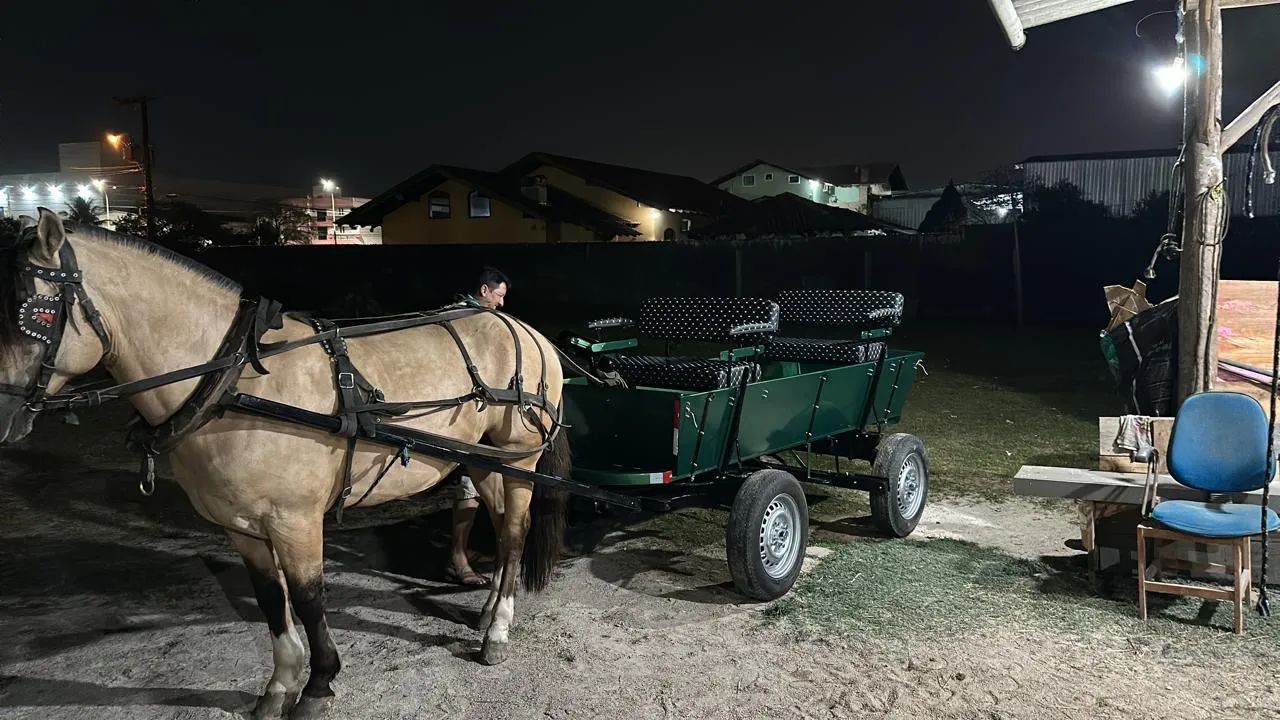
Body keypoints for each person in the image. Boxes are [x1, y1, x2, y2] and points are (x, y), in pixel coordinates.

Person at [447, 267, 510, 587]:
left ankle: (467, 552)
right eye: (498, 296)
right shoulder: (462, 319)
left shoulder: (478, 318)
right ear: (484, 290)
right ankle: (458, 558)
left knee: (477, 491)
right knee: (468, 491)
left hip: (480, 417)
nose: (500, 303)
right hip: (460, 419)